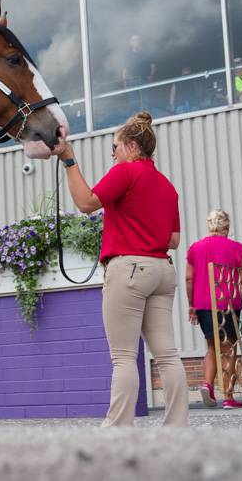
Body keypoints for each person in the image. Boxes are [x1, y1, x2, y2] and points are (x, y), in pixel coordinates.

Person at [55, 111, 188, 427]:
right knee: (167, 355)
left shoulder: (125, 172)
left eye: (114, 146)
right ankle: (177, 428)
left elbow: (86, 203)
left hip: (129, 270)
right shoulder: (168, 186)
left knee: (124, 357)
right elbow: (173, 239)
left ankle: (117, 429)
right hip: (162, 270)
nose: (112, 153)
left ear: (130, 146)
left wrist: (69, 161)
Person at [185, 210, 242, 409]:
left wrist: (191, 305)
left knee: (212, 346)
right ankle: (229, 397)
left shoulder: (195, 248)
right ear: (227, 227)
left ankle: (208, 384)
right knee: (230, 348)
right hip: (229, 303)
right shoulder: (237, 248)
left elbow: (189, 278)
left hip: (204, 303)